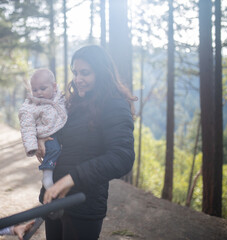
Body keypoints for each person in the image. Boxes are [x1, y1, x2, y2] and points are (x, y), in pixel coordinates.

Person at [37, 45, 136, 240]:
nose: (78, 79)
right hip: (55, 200)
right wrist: (43, 139)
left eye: (85, 73)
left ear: (101, 73)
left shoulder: (115, 105)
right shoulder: (74, 102)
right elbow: (60, 136)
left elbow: (122, 157)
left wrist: (72, 178)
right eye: (75, 72)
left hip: (83, 205)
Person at [18, 68, 67, 190]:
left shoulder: (59, 98)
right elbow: (27, 127)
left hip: (63, 129)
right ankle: (47, 174)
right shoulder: (31, 106)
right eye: (35, 90)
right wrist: (32, 146)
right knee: (53, 149)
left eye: (43, 88)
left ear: (54, 86)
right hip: (47, 135)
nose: (39, 92)